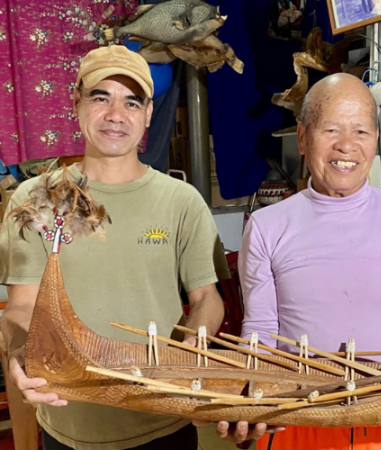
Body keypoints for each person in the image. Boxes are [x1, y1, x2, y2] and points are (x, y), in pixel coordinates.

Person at [0, 45, 230, 450]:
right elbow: (21, 306)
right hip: (67, 419)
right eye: (100, 97)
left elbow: (207, 297)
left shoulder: (181, 200)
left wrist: (191, 347)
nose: (115, 115)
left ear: (148, 113)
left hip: (162, 418)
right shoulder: (36, 199)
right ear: (76, 102)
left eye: (131, 101)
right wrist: (20, 350)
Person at [238, 73, 381, 450]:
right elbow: (261, 328)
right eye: (331, 130)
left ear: (376, 139)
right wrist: (248, 394)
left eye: (362, 132)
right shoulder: (267, 227)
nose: (347, 146)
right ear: (302, 138)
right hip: (299, 417)